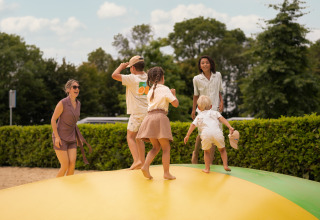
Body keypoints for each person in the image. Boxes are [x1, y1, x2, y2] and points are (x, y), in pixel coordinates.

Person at [136, 67, 179, 180]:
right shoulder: (165, 89)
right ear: (162, 78)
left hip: (149, 118)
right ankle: (166, 173)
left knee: (155, 147)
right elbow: (175, 104)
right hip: (160, 117)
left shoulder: (150, 91)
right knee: (166, 148)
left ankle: (145, 166)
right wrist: (173, 94)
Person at [112, 55, 148, 170]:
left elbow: (114, 75)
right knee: (139, 138)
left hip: (136, 112)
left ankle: (137, 160)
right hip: (147, 112)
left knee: (130, 136)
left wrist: (121, 66)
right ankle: (141, 162)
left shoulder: (132, 78)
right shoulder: (147, 77)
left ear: (132, 68)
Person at [51, 79, 92, 177]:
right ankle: (55, 187)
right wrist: (57, 137)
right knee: (65, 165)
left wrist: (78, 138)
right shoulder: (62, 103)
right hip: (61, 138)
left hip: (72, 138)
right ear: (68, 89)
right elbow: (53, 120)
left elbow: (73, 123)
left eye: (78, 87)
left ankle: (68, 188)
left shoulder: (78, 104)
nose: (77, 89)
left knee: (72, 164)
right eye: (74, 87)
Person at [184, 95, 234, 173]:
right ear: (211, 106)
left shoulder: (199, 116)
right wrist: (230, 127)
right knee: (222, 150)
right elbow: (222, 119)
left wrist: (187, 135)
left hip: (205, 134)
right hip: (217, 133)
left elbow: (192, 125)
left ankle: (207, 169)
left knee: (207, 152)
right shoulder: (215, 113)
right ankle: (225, 165)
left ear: (199, 108)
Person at [191, 55, 224, 164]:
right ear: (200, 66)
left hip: (215, 109)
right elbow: (196, 95)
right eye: (202, 63)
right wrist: (193, 110)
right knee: (202, 133)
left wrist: (222, 102)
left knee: (214, 133)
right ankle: (195, 153)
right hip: (202, 109)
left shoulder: (218, 75)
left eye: (207, 62)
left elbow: (219, 90)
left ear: (211, 64)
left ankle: (210, 161)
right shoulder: (196, 79)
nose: (205, 64)